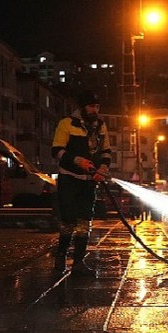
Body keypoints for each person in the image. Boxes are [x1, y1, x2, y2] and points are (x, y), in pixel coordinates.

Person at [51, 90, 111, 277]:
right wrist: (77, 161)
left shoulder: (100, 126)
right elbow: (57, 151)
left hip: (88, 181)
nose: (95, 110)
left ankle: (78, 262)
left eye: (98, 106)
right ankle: (60, 259)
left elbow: (106, 152)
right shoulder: (67, 123)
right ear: (83, 107)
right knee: (68, 220)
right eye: (92, 106)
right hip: (69, 178)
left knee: (85, 221)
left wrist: (102, 169)